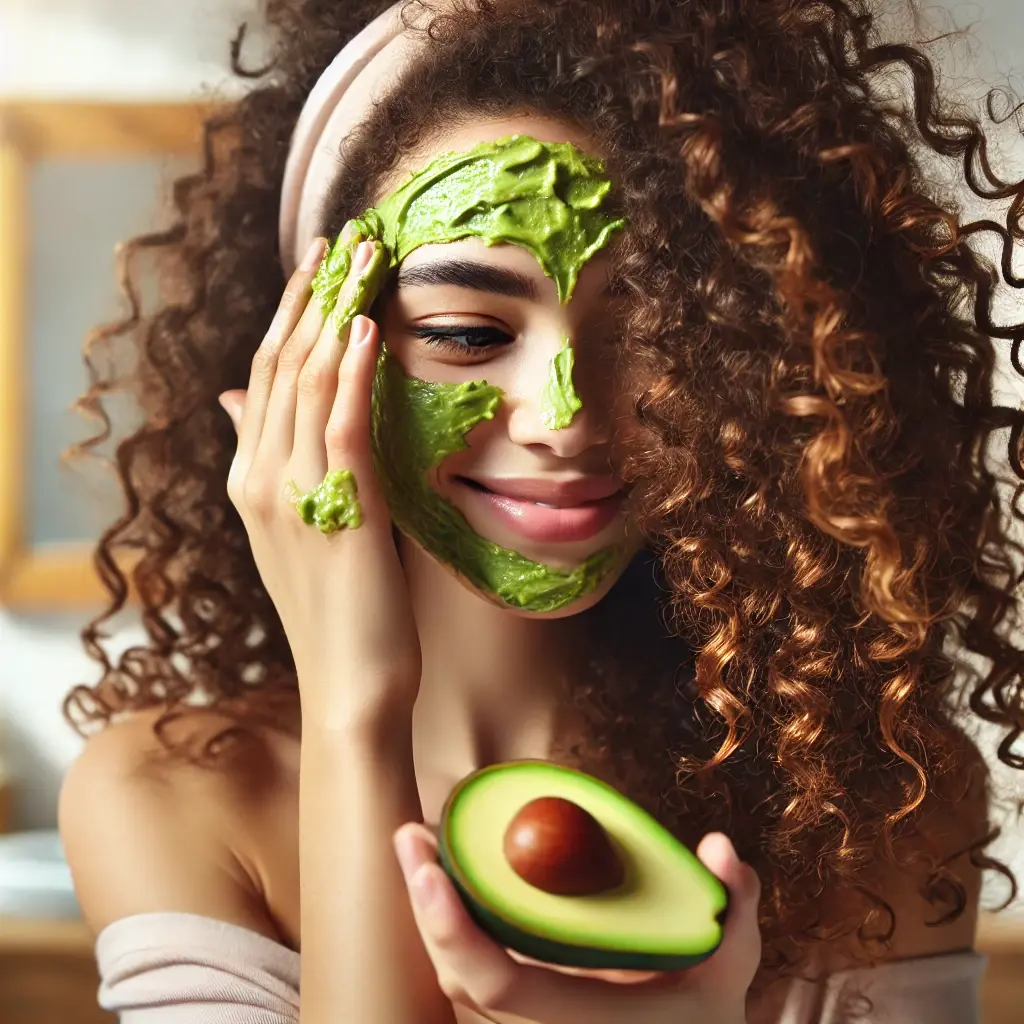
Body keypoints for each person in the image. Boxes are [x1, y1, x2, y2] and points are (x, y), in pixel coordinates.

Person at [56, 1, 1024, 1021]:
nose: (563, 420)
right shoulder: (172, 796)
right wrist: (354, 705)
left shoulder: (880, 806)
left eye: (664, 331)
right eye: (468, 332)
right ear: (311, 354)